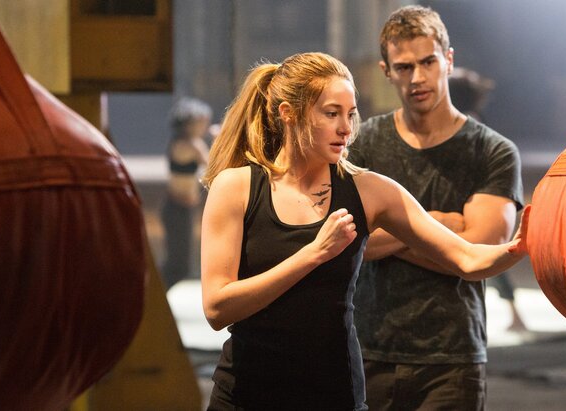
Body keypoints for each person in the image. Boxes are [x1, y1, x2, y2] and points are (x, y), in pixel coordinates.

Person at [200, 51, 528, 410]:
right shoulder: (237, 187)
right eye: (331, 113)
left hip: (334, 396)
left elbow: (467, 258)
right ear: (288, 113)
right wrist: (313, 254)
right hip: (244, 396)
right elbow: (217, 308)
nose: (346, 128)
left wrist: (522, 246)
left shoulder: (369, 190)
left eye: (350, 114)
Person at [347, 5, 524, 410]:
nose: (417, 77)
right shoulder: (364, 144)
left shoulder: (492, 151)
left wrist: (389, 228)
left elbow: (479, 253)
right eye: (404, 67)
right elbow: (349, 241)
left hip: (453, 358)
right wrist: (437, 226)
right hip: (368, 351)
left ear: (448, 59)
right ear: (387, 71)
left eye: (428, 62)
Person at [449, 67, 528, 332]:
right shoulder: (472, 118)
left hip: (475, 198)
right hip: (478, 196)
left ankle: (513, 315)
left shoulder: (465, 123)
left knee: (485, 257)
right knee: (484, 259)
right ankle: (512, 315)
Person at [160, 97, 212, 289]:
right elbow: (213, 166)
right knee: (178, 266)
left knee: (178, 264)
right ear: (189, 123)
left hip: (180, 209)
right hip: (178, 209)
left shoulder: (182, 141)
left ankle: (155, 296)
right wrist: (220, 139)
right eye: (201, 122)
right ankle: (154, 297)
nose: (204, 126)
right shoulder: (191, 144)